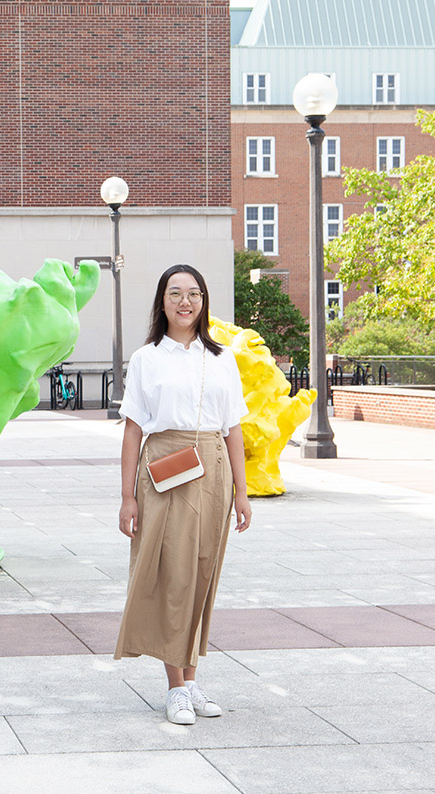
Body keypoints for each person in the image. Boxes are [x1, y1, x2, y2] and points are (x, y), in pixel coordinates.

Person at [115, 264, 252, 726]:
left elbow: (233, 428)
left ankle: (191, 682)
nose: (185, 301)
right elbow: (133, 430)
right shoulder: (146, 358)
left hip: (212, 467)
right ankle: (175, 687)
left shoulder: (222, 358)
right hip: (164, 468)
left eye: (194, 293)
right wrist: (127, 497)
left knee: (201, 574)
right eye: (176, 293)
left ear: (204, 301)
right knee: (171, 575)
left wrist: (243, 492)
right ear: (162, 301)